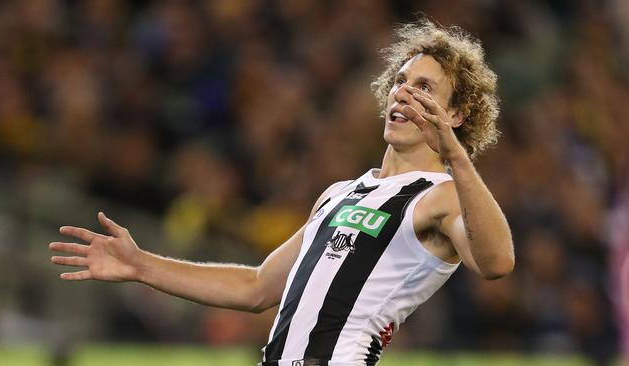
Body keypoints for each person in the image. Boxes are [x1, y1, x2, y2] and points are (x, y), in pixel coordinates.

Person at [49, 18, 514, 366]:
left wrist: (456, 156)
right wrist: (141, 265)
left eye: (424, 88)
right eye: (400, 81)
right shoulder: (341, 193)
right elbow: (257, 287)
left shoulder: (442, 193)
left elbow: (496, 263)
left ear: (456, 115)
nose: (403, 94)